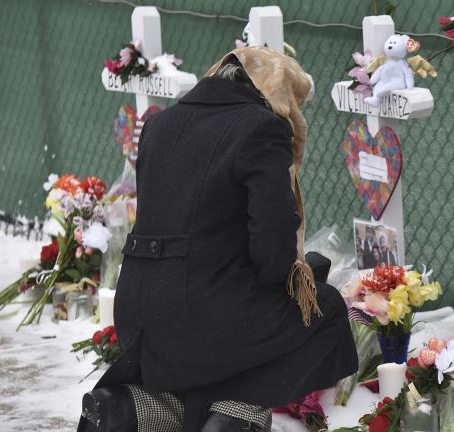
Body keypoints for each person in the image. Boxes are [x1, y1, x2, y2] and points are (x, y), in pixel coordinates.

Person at [77, 47, 358, 432]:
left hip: (139, 315)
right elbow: (274, 254)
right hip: (204, 313)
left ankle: (133, 408)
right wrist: (297, 275)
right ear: (276, 96)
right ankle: (234, 417)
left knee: (221, 343)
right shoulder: (262, 128)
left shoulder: (160, 125)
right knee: (325, 311)